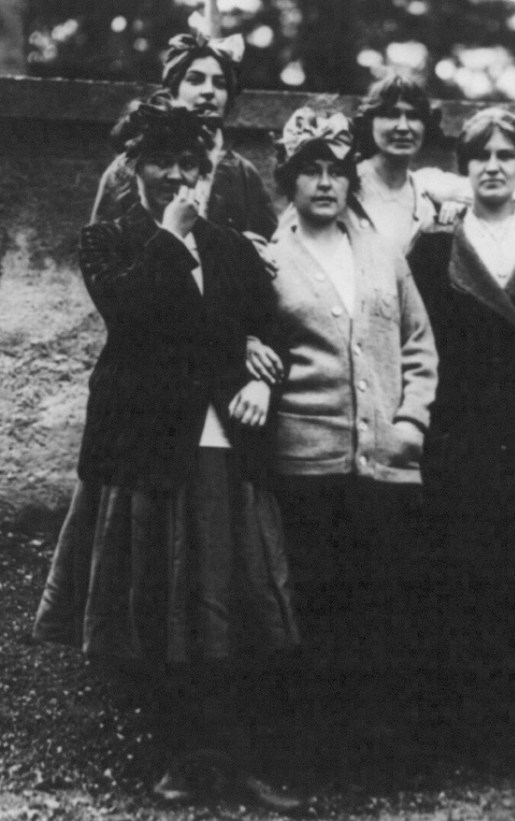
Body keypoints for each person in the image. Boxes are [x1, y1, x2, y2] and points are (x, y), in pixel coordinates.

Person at [32, 100, 300, 810]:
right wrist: (173, 240)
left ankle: (237, 759)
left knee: (233, 605)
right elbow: (136, 321)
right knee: (164, 608)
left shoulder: (233, 245)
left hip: (225, 447)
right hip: (151, 448)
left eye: (192, 162)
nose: (178, 175)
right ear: (135, 165)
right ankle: (179, 757)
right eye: (163, 160)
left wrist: (261, 382)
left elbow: (269, 332)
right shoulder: (108, 240)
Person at [261, 102, 438, 753]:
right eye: (312, 171)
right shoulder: (271, 261)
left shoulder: (382, 252)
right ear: (291, 179)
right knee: (317, 604)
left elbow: (419, 343)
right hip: (307, 466)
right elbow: (255, 349)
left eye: (337, 170)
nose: (327, 183)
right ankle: (316, 750)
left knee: (382, 603)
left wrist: (410, 420)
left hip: (387, 461)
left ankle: (377, 751)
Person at [406, 108, 515, 753]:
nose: (494, 167)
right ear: (465, 167)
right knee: (464, 574)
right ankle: (467, 731)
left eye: (507, 155)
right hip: (463, 434)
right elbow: (417, 342)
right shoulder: (434, 246)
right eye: (481, 156)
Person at [91, 28, 277, 240]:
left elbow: (270, 247)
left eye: (219, 83)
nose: (208, 91)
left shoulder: (242, 173)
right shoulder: (127, 167)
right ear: (173, 89)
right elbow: (100, 251)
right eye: (195, 80)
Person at [352, 74, 471, 257]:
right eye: (391, 115)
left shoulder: (425, 187)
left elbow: (503, 196)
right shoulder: (347, 183)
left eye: (414, 116)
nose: (403, 127)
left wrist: (462, 206)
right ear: (370, 122)